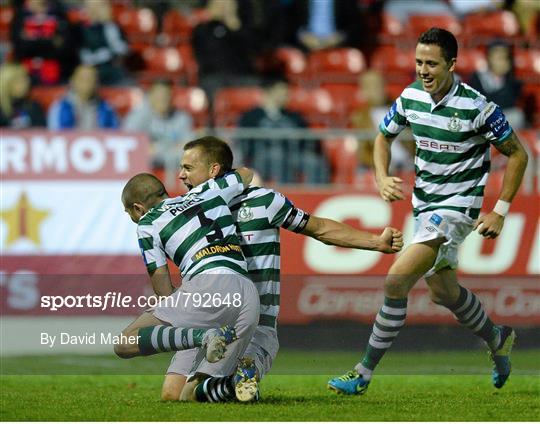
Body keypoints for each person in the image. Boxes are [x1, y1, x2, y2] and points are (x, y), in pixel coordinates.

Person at [328, 27, 528, 395]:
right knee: (444, 293)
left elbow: (518, 153)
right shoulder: (409, 98)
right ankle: (497, 338)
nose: (423, 69)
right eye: (419, 61)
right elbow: (382, 137)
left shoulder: (476, 106)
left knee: (395, 280)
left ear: (452, 64)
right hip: (424, 208)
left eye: (432, 63)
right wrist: (381, 176)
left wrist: (499, 209)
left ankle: (362, 373)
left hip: (457, 210)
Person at [159, 136, 404, 402]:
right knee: (171, 396)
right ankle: (231, 385)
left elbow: (318, 228)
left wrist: (374, 242)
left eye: (188, 168)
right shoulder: (188, 211)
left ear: (214, 170)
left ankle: (240, 375)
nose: (180, 175)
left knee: (190, 396)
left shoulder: (264, 202)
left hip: (253, 323)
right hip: (208, 321)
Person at [115, 167, 260, 402]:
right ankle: (233, 384)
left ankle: (204, 336)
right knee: (179, 396)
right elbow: (246, 173)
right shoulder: (209, 193)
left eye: (129, 213)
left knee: (125, 343)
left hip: (206, 288)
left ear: (138, 208)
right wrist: (211, 183)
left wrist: (187, 326)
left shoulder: (147, 222)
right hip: (247, 294)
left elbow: (163, 290)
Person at [237, 78, 330, 184]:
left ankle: (315, 194)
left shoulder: (294, 116)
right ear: (270, 92)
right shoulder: (251, 116)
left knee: (313, 161)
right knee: (278, 156)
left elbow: (307, 137)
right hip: (261, 156)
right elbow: (244, 140)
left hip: (293, 154)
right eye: (282, 92)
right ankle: (285, 193)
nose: (287, 96)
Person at [123, 79, 194, 186]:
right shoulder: (138, 116)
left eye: (166, 95)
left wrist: (157, 148)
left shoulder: (182, 118)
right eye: (159, 95)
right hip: (144, 170)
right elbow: (129, 144)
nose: (163, 99)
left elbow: (188, 147)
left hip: (174, 166)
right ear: (150, 96)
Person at [10, 0, 78, 85]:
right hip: (25, 70)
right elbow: (19, 47)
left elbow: (65, 47)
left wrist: (31, 40)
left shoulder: (59, 14)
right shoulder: (20, 16)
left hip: (56, 69)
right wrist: (50, 41)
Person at [469, 41, 525, 130]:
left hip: (505, 118)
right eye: (498, 57)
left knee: (517, 115)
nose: (502, 61)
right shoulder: (477, 77)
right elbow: (483, 103)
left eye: (505, 57)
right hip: (483, 119)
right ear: (489, 58)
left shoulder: (512, 81)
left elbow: (509, 102)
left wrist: (509, 77)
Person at [47, 65, 118, 130]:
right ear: (72, 81)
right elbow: (56, 135)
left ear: (97, 83)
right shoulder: (60, 107)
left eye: (91, 79)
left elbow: (115, 133)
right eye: (82, 79)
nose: (87, 83)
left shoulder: (107, 107)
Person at [79, 0, 129, 85]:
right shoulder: (80, 28)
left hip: (112, 73)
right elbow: (82, 55)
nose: (96, 10)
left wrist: (107, 24)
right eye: (92, 7)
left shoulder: (111, 27)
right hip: (90, 73)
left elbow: (123, 49)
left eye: (100, 6)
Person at [0, 63, 46, 128]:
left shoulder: (33, 107)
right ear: (7, 83)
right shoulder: (2, 109)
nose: (27, 82)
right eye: (21, 80)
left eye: (27, 78)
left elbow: (41, 132)